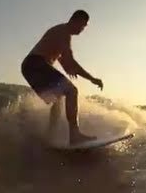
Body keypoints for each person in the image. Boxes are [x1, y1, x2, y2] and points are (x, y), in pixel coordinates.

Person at [21, 10, 103, 145]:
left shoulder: (59, 33)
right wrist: (92, 79)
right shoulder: (63, 33)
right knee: (72, 91)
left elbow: (65, 62)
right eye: (82, 26)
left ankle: (50, 137)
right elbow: (70, 62)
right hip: (36, 64)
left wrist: (70, 68)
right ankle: (75, 135)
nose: (82, 30)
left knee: (57, 100)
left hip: (29, 68)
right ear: (75, 21)